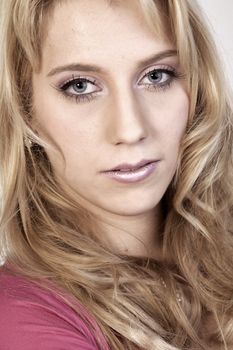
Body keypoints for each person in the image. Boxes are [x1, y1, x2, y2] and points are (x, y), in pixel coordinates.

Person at [0, 0, 232, 349]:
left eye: (156, 76)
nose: (130, 128)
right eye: (80, 86)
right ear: (25, 108)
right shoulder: (22, 319)